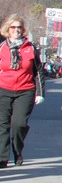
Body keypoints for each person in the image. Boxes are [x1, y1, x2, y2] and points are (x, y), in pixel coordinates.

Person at [0, 15, 44, 167]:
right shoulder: (2, 47)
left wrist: (40, 93)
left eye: (19, 27)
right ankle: (2, 157)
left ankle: (17, 150)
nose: (16, 30)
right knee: (2, 124)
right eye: (13, 27)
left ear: (23, 29)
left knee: (18, 124)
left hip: (25, 91)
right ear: (8, 29)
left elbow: (38, 71)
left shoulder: (30, 48)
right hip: (3, 89)